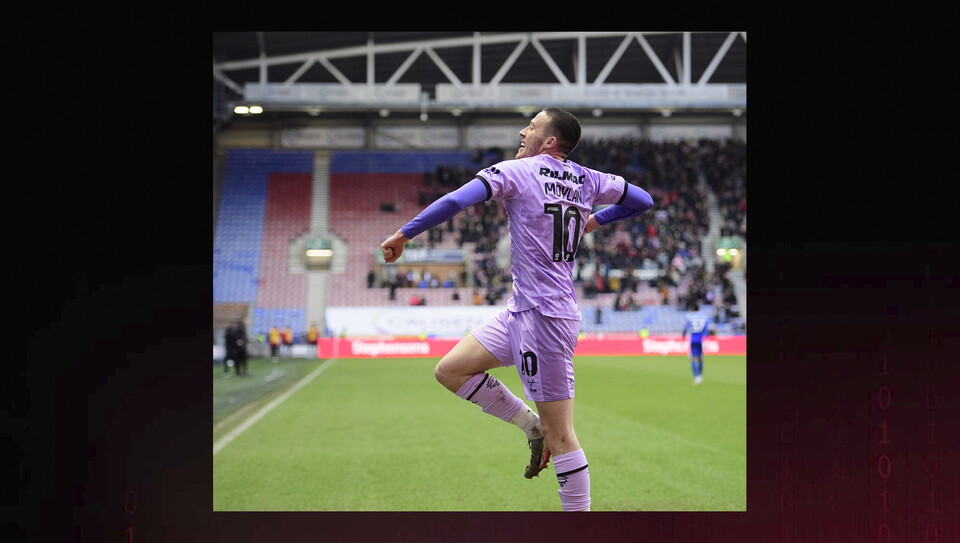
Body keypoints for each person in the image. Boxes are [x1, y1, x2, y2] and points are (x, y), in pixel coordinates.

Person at [380, 107, 654, 512]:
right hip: (521, 310)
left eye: (532, 127)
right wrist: (593, 221)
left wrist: (404, 234)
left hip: (547, 317)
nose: (522, 132)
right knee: (450, 370)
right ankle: (531, 427)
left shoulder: (518, 171)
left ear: (549, 141)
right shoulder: (588, 178)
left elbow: (456, 200)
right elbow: (642, 200)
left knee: (563, 436)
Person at [681, 303, 711, 385]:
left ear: (692, 309)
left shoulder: (689, 316)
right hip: (701, 339)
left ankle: (697, 377)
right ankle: (700, 375)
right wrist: (707, 338)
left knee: (693, 358)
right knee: (700, 358)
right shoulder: (704, 317)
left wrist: (683, 336)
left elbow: (686, 327)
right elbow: (706, 329)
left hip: (693, 338)